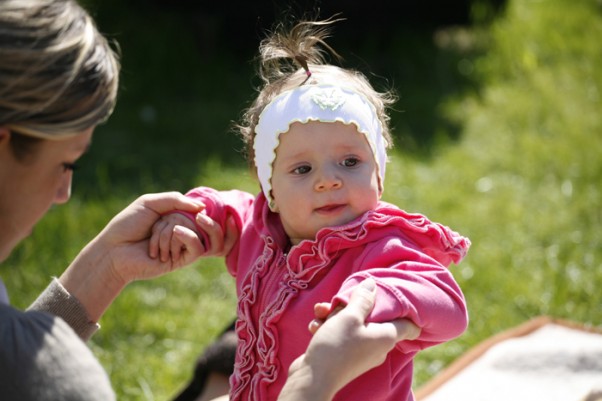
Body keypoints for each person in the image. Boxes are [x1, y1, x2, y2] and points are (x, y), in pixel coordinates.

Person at [0, 2, 419, 400]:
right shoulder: (59, 381)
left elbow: (440, 296)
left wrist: (116, 260)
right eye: (67, 164)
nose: (64, 193)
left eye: (350, 161)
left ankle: (220, 371)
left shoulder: (388, 244)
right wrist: (315, 379)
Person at [151, 17, 471, 401]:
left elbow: (449, 306)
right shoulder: (262, 227)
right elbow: (228, 210)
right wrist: (191, 217)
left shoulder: (383, 246)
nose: (328, 180)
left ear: (379, 173)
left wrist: (373, 298)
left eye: (350, 162)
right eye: (302, 169)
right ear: (271, 191)